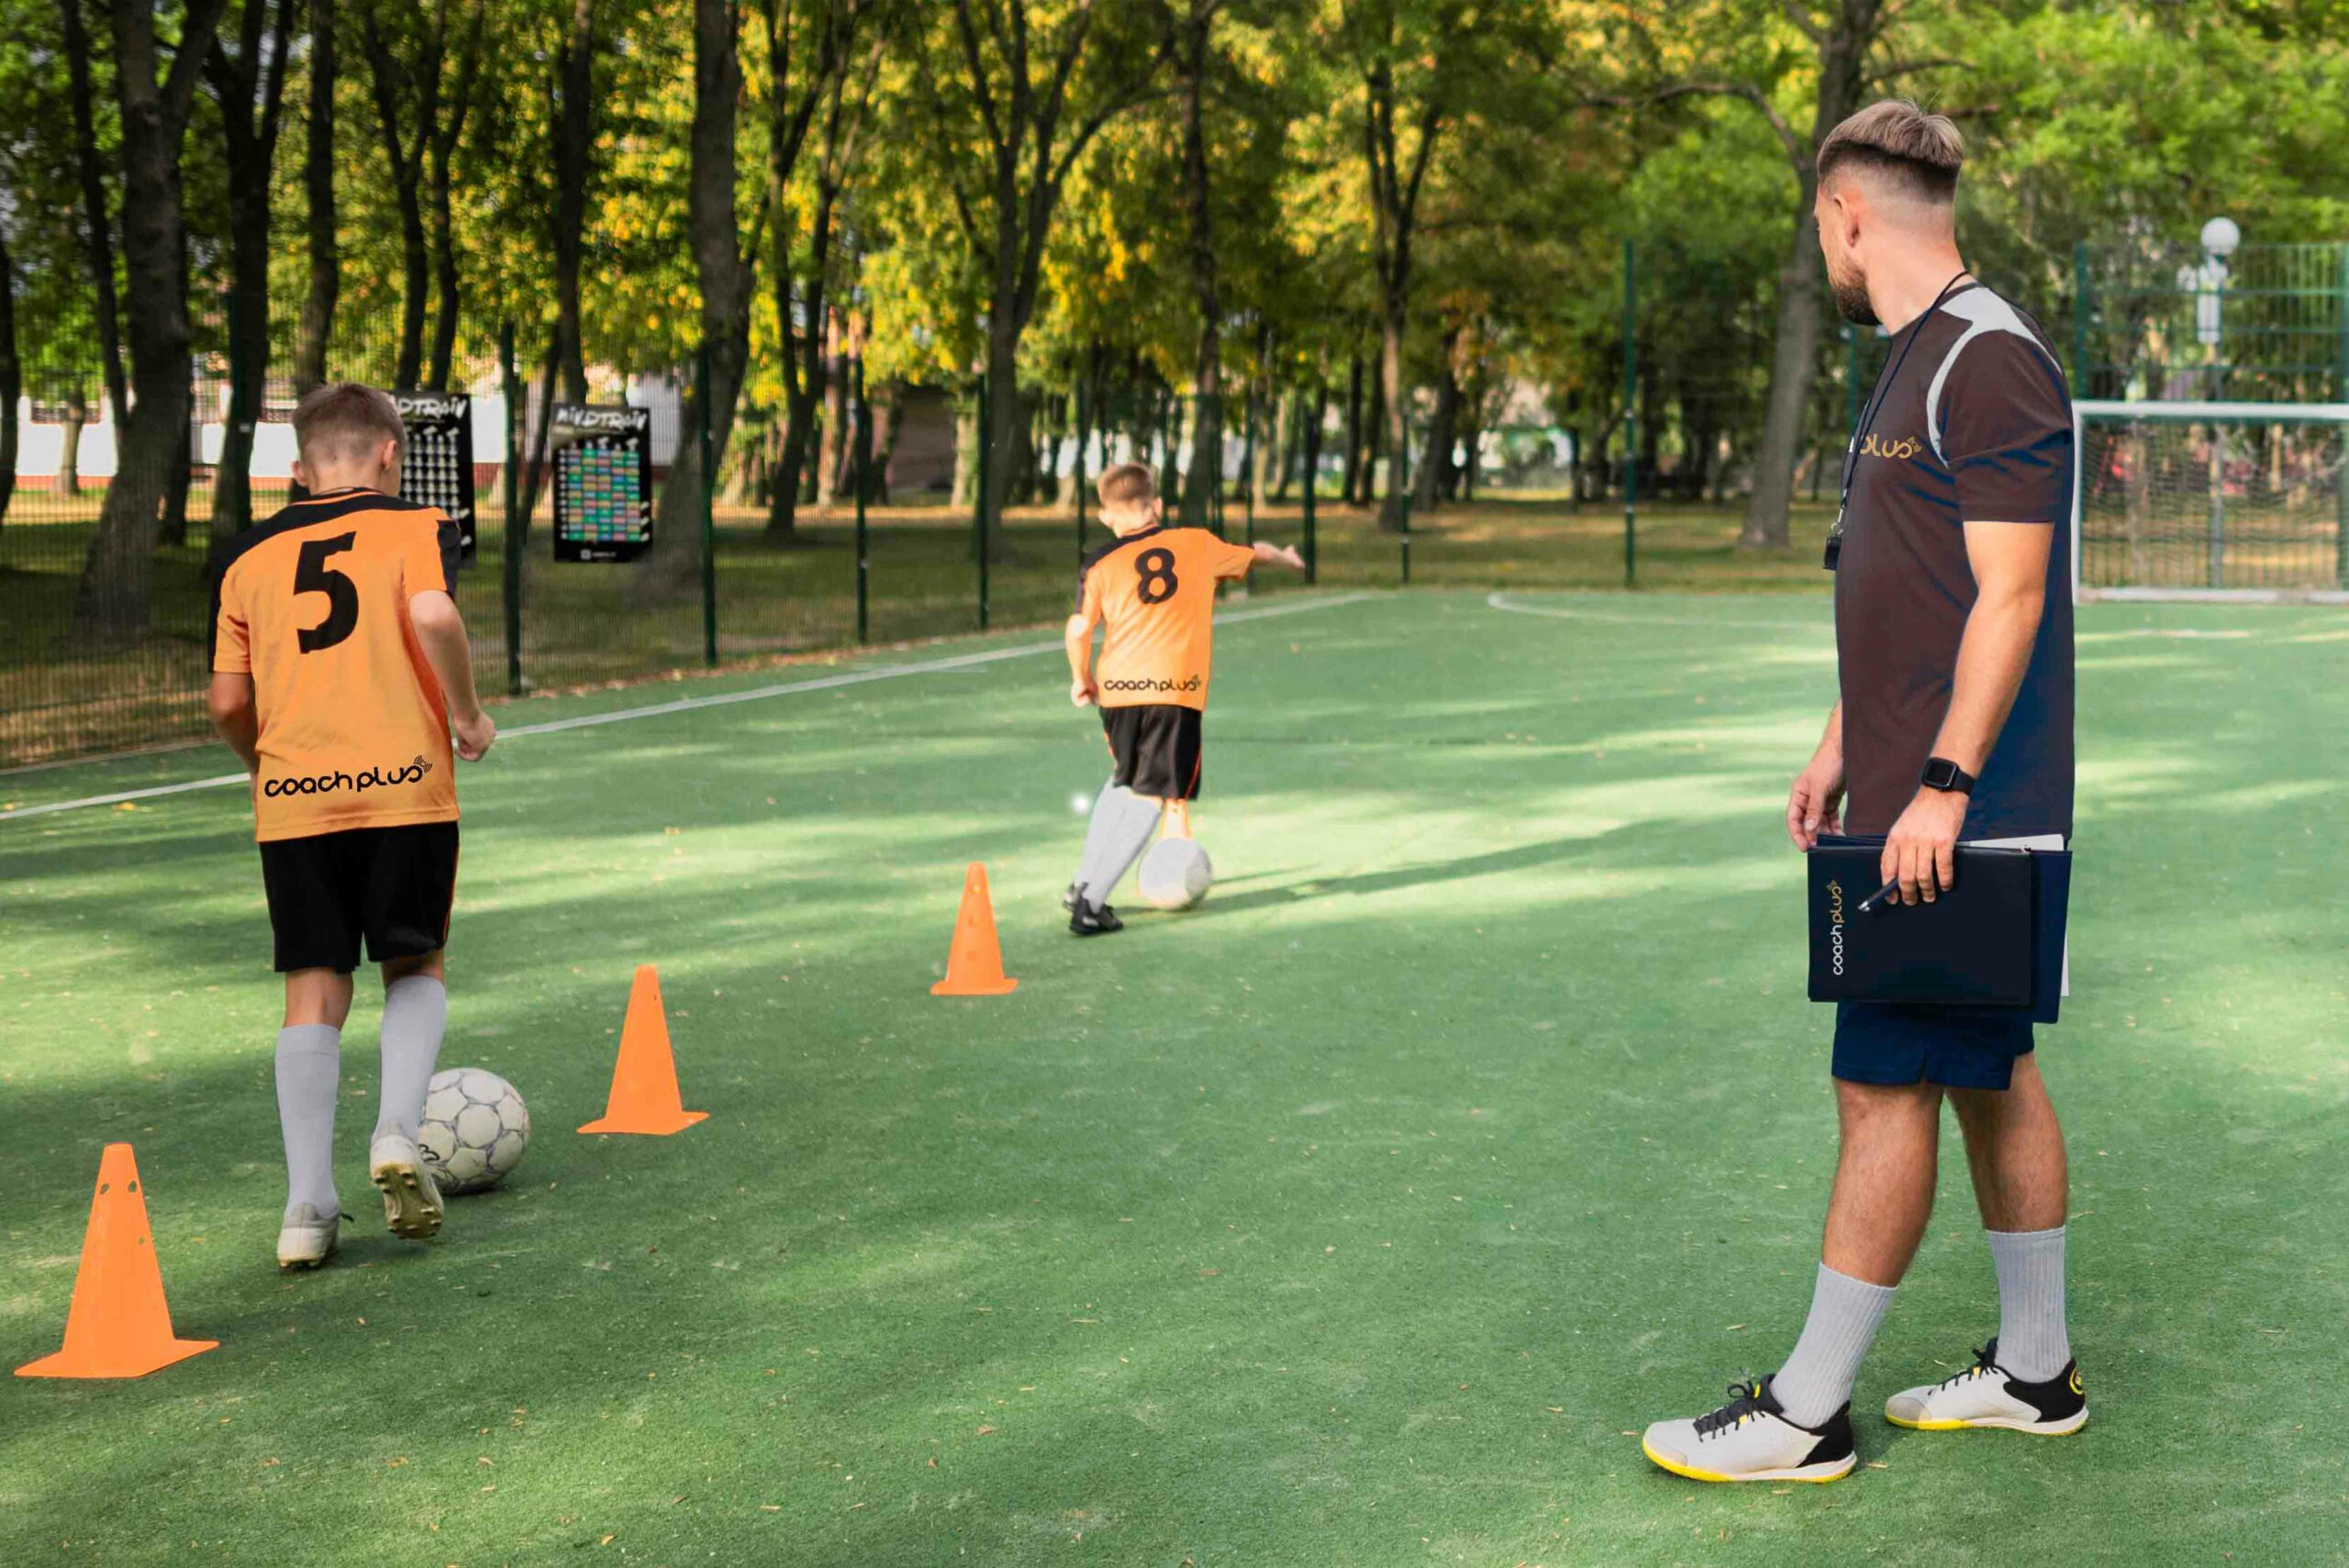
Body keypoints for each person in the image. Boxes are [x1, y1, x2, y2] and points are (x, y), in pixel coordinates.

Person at [1642, 100, 2081, 1484]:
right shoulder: (1913, 361)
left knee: (1881, 1083)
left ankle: (1806, 1411)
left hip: (1963, 809)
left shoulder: (1989, 361)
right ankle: (2033, 1371)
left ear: (1847, 213)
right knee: (1990, 1072)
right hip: (1906, 788)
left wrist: (1943, 784)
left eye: (1818, 225)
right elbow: (1913, 586)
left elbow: (2011, 600)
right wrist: (1844, 735)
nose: (1820, 247)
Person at [207, 383, 496, 1271]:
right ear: (386, 452)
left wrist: (266, 765)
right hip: (405, 788)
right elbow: (433, 613)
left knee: (313, 987)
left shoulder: (244, 556)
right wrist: (470, 716)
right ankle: (398, 1130)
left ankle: (306, 1207)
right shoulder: (417, 525)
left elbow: (226, 699)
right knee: (414, 961)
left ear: (299, 469)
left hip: (295, 800)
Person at [1062, 462, 1304, 934]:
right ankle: (1090, 904)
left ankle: (1081, 882)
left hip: (1117, 691)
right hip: (1173, 690)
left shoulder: (1098, 562)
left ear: (1106, 515)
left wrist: (1080, 677)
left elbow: (1077, 628)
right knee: (1153, 794)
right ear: (1155, 506)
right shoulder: (1196, 544)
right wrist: (1288, 558)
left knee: (1122, 780)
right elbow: (1258, 553)